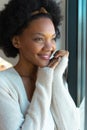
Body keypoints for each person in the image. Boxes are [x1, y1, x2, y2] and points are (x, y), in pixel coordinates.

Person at [0, 0, 82, 130]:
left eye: (53, 38)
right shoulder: (3, 85)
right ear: (16, 41)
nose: (49, 47)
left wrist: (54, 78)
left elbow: (72, 127)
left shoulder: (54, 76)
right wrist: (44, 82)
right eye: (39, 39)